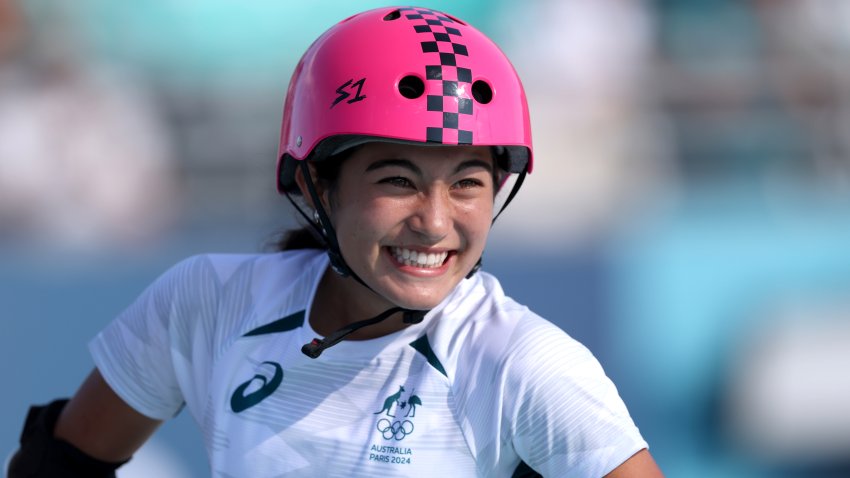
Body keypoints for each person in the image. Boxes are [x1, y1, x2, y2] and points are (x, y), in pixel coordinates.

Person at [8, 6, 662, 477]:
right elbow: (59, 467)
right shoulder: (206, 302)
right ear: (319, 183)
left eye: (467, 183)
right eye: (399, 180)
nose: (435, 223)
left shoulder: (529, 364)